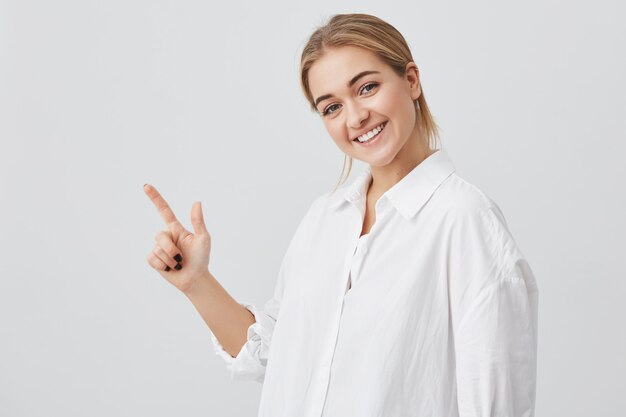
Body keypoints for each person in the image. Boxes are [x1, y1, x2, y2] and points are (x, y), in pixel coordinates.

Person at [143, 13, 539, 417]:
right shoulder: (325, 219)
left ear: (412, 80)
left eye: (367, 87)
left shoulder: (465, 220)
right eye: (331, 107)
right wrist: (197, 282)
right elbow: (273, 358)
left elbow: (496, 402)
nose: (355, 117)